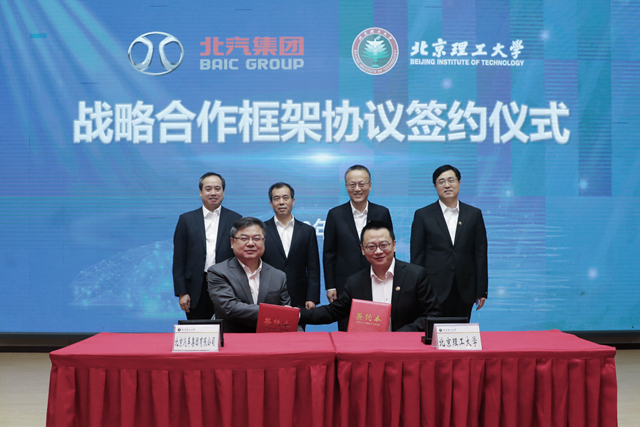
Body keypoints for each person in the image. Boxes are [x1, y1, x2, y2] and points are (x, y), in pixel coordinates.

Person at [300, 221, 441, 331]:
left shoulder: (415, 275)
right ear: (363, 249)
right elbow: (333, 311)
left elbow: (432, 315)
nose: (378, 251)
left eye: (384, 245)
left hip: (406, 349)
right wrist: (298, 314)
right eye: (371, 247)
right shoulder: (355, 282)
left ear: (394, 245)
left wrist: (398, 336)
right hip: (369, 350)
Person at [410, 165, 488, 320]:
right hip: (433, 288)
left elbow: (480, 254)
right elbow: (417, 256)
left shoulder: (474, 214)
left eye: (451, 180)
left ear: (459, 183)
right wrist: (418, 290)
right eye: (441, 182)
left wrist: (482, 290)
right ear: (435, 186)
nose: (447, 185)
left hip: (465, 288)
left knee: (461, 332)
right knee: (434, 332)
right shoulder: (423, 215)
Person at [323, 165, 393, 331]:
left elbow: (389, 249)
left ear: (370, 185)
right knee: (347, 327)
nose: (357, 189)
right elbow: (329, 253)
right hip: (345, 282)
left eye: (361, 184)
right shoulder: (335, 214)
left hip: (378, 279)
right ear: (346, 186)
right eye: (352, 184)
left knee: (378, 325)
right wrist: (331, 286)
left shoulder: (382, 212)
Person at [173, 172, 241, 320]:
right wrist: (182, 292)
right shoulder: (186, 220)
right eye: (208, 189)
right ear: (200, 192)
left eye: (217, 188)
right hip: (195, 287)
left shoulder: (235, 219)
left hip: (227, 285)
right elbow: (179, 258)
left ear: (223, 192)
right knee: (199, 329)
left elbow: (240, 256)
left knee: (228, 329)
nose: (213, 193)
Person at [207, 217, 291, 333]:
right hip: (233, 339)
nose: (251, 243)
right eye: (244, 238)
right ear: (232, 242)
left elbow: (287, 316)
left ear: (264, 242)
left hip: (269, 339)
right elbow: (230, 308)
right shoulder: (218, 272)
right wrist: (275, 312)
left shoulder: (278, 276)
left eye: (256, 238)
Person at [261, 182, 320, 315]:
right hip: (268, 295)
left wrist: (312, 297)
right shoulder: (261, 230)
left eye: (285, 198)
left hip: (299, 296)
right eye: (276, 198)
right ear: (271, 203)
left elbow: (313, 268)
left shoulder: (307, 231)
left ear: (293, 201)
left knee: (297, 328)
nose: (281, 202)